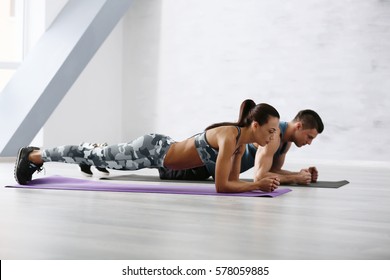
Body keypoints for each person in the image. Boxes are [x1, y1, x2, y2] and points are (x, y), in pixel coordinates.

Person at [14, 100, 281, 193]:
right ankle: (35, 155)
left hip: (158, 154)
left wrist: (254, 185)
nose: (272, 138)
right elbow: (223, 187)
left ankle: (92, 151)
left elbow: (233, 182)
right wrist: (257, 185)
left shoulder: (236, 145)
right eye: (270, 131)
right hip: (153, 150)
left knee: (100, 157)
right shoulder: (228, 137)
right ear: (254, 125)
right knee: (95, 156)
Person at [158, 109, 324, 185]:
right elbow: (260, 177)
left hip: (213, 168)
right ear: (299, 126)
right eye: (309, 137)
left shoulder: (285, 142)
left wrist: (301, 175)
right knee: (164, 164)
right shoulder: (274, 136)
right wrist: (295, 178)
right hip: (199, 166)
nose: (309, 142)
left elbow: (273, 172)